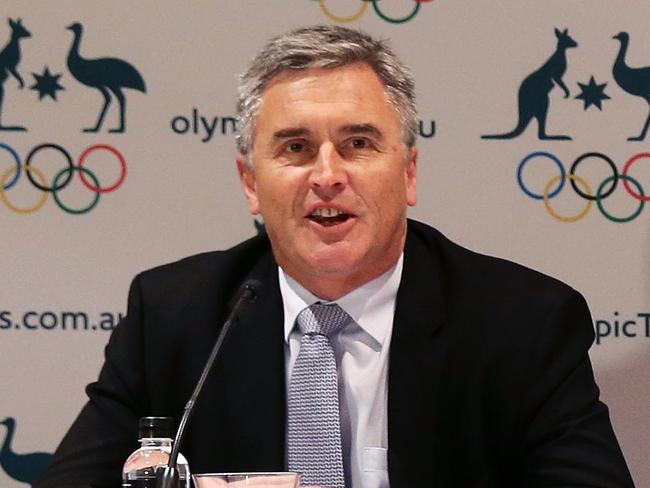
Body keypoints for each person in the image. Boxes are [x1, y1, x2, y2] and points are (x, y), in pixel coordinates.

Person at [35, 25, 634, 488]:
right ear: (250, 183)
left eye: (358, 143)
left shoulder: (522, 322)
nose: (328, 176)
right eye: (296, 148)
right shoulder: (174, 317)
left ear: (409, 171)